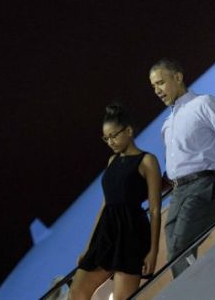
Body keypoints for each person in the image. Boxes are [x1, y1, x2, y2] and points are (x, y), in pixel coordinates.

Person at [149, 58, 215, 278]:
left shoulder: (204, 104)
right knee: (176, 257)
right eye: (153, 86)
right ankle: (211, 286)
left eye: (160, 83)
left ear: (177, 77)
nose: (157, 90)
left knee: (179, 249)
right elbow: (177, 166)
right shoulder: (167, 125)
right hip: (178, 194)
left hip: (203, 186)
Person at [69, 104, 162, 300]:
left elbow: (154, 209)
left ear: (128, 130)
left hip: (132, 232)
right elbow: (105, 204)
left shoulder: (147, 161)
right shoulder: (112, 161)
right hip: (106, 231)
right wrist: (88, 247)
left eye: (114, 135)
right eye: (106, 138)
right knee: (76, 293)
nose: (110, 141)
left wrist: (153, 251)